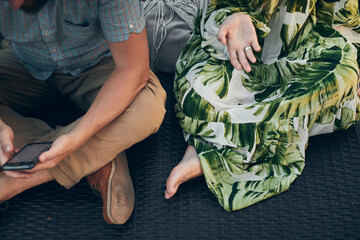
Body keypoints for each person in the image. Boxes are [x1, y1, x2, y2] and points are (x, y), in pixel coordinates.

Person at [165, 0, 360, 211]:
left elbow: (346, 20)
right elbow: (214, 12)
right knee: (196, 94)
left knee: (345, 76)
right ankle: (225, 143)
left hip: (302, 56)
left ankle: (213, 143)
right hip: (240, 55)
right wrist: (234, 16)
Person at [0, 0, 166, 224]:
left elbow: (133, 69)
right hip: (23, 64)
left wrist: (77, 137)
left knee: (148, 107)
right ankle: (100, 154)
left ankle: (11, 184)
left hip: (98, 64)